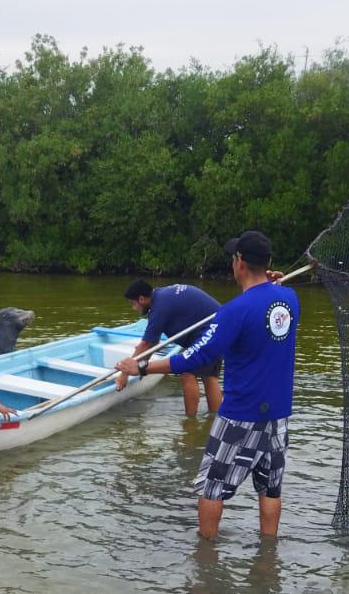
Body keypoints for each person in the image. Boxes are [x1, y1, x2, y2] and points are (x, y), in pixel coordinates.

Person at [115, 231, 299, 540]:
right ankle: (268, 556)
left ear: (240, 263)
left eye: (233, 257)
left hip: (240, 415)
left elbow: (194, 356)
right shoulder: (289, 299)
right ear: (267, 265)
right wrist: (274, 283)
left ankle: (206, 560)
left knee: (210, 489)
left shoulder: (233, 312)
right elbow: (271, 300)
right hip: (278, 415)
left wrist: (142, 366)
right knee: (270, 489)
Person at [118, 280, 223, 416]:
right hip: (218, 325)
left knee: (187, 371)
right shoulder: (161, 296)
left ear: (142, 299)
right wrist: (140, 366)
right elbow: (152, 344)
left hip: (210, 328)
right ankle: (215, 419)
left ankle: (190, 423)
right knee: (209, 376)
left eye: (133, 304)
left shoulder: (159, 307)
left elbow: (146, 344)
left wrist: (125, 373)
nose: (134, 308)